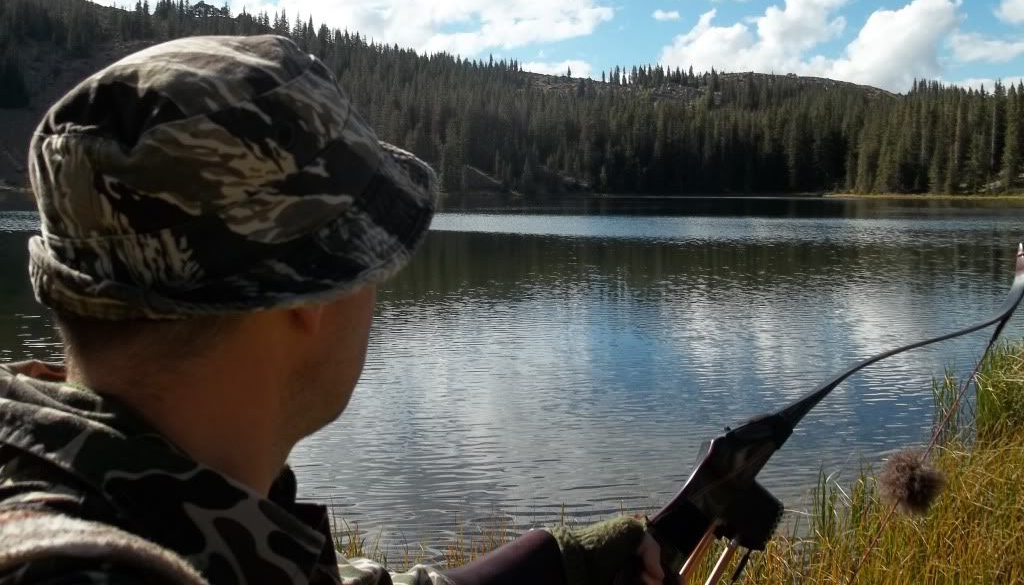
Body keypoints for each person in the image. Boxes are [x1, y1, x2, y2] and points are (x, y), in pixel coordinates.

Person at [0, 35, 667, 584]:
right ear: (307, 298)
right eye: (372, 262)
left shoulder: (76, 478)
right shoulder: (85, 572)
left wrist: (560, 562)